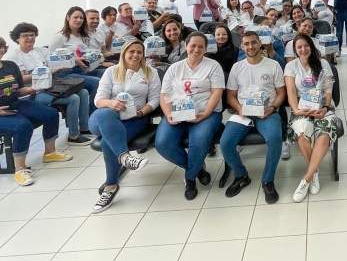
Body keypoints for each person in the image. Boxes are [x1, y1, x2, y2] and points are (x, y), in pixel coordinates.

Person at [0, 35, 72, 186]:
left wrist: (33, 89)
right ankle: (20, 169)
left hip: (12, 103)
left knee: (50, 114)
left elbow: (17, 90)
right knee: (22, 125)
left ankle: (50, 153)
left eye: (1, 47)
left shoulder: (10, 66)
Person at [89, 39, 160, 213]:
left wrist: (142, 112)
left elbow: (155, 99)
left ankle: (110, 187)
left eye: (139, 52)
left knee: (107, 143)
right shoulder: (111, 71)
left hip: (134, 118)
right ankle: (125, 157)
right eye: (131, 52)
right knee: (107, 113)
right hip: (103, 118)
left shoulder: (150, 72)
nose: (135, 55)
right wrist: (111, 103)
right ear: (124, 53)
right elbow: (98, 100)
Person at [156, 32, 224, 200]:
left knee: (199, 141)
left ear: (206, 49)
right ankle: (196, 168)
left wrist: (205, 113)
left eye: (201, 46)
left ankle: (190, 178)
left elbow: (217, 92)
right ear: (185, 46)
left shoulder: (213, 65)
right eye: (193, 45)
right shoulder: (175, 68)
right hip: (178, 113)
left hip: (206, 113)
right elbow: (164, 94)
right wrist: (168, 114)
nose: (196, 49)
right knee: (163, 144)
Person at [220, 30, 286, 204]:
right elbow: (231, 96)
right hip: (244, 113)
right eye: (246, 44)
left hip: (267, 112)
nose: (250, 46)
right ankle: (241, 176)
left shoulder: (273, 65)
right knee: (226, 142)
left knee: (274, 138)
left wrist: (272, 107)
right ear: (242, 46)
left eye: (254, 42)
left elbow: (281, 93)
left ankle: (268, 180)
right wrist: (239, 108)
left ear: (260, 43)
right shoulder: (237, 67)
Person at [4, 22, 91, 145]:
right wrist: (43, 73)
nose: (30, 38)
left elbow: (52, 67)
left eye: (32, 35)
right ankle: (73, 135)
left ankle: (84, 127)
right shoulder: (14, 57)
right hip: (33, 92)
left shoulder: (41, 51)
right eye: (25, 36)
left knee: (83, 92)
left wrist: (60, 67)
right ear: (17, 38)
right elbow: (22, 79)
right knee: (73, 98)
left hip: (51, 86)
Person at [285, 34, 338, 201]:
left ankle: (306, 179)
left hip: (322, 105)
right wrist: (296, 110)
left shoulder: (323, 64)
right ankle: (314, 172)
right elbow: (291, 92)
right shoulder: (291, 66)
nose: (303, 49)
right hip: (302, 106)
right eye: (299, 47)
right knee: (302, 131)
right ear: (295, 50)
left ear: (312, 47)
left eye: (306, 46)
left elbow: (328, 90)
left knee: (323, 133)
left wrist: (324, 108)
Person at [48, 6, 100, 105]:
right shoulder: (59, 37)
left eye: (81, 18)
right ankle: (93, 113)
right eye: (75, 17)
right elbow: (51, 59)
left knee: (107, 75)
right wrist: (74, 60)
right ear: (68, 17)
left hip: (82, 69)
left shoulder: (83, 36)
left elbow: (86, 52)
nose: (79, 20)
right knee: (98, 83)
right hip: (65, 73)